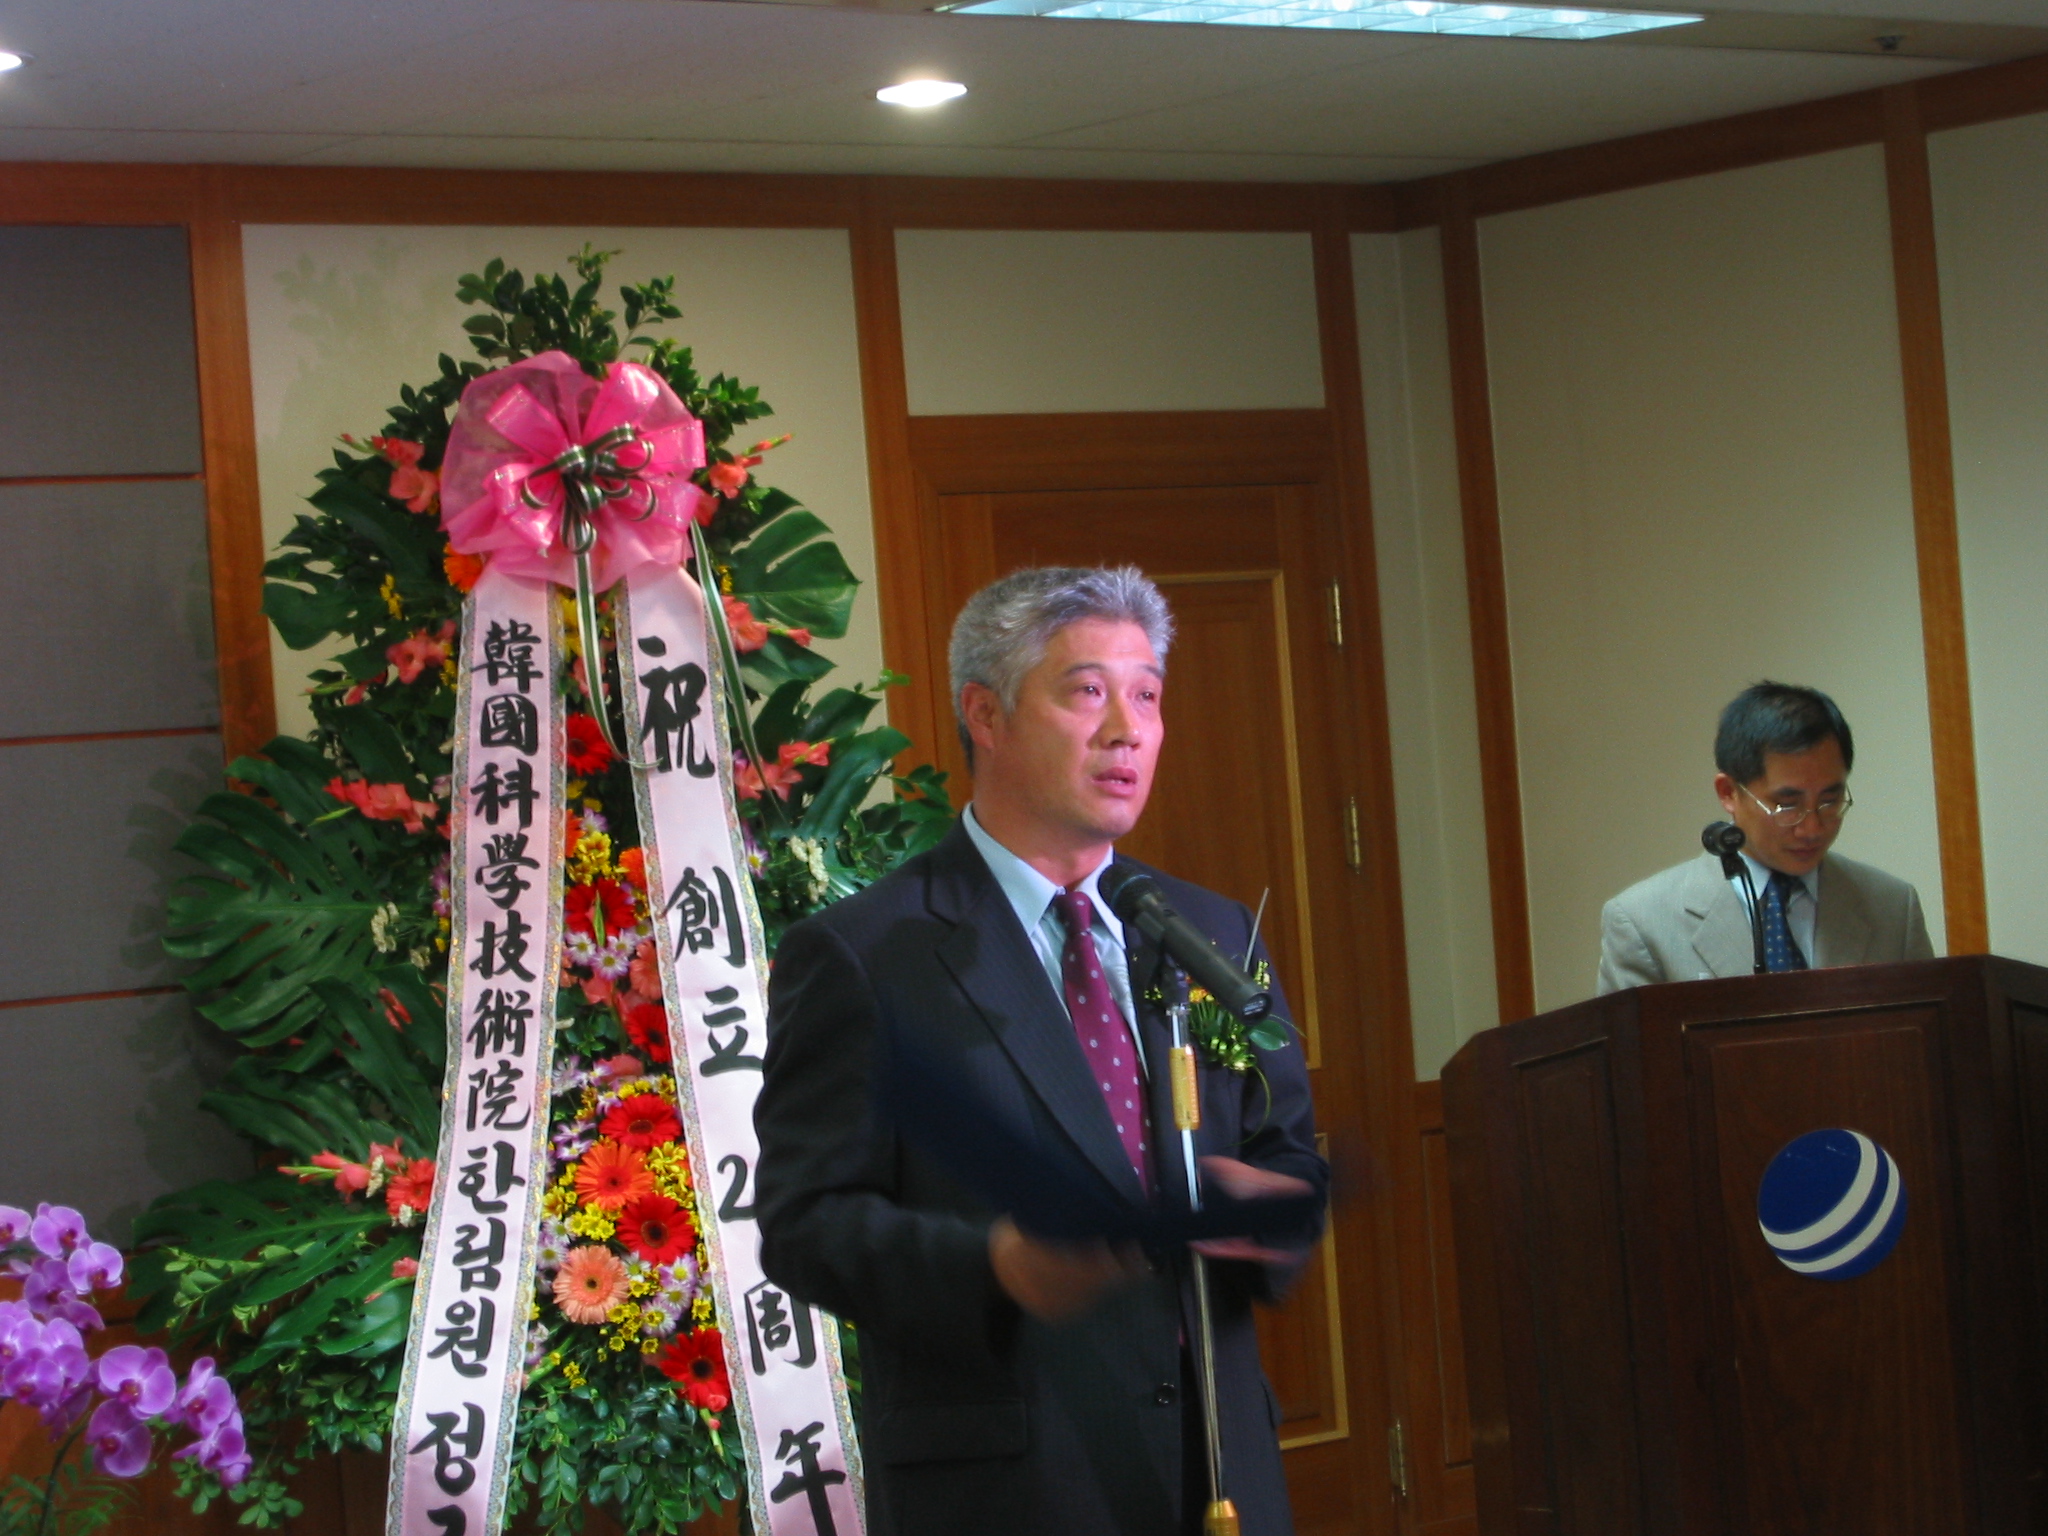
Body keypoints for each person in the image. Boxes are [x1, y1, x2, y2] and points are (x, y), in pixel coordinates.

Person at [755, 565, 1326, 1536]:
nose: (1127, 730)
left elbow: (1284, 1145)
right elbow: (806, 1226)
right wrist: (994, 1264)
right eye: (1087, 691)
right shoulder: (864, 955)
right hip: (1008, 1486)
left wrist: (1272, 1209)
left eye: (1146, 694)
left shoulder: (1205, 929)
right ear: (985, 712)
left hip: (1216, 1472)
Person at [1596, 681, 1935, 994]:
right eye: (1787, 805)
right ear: (1729, 792)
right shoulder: (1644, 922)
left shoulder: (1892, 907)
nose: (1812, 828)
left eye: (1829, 801)